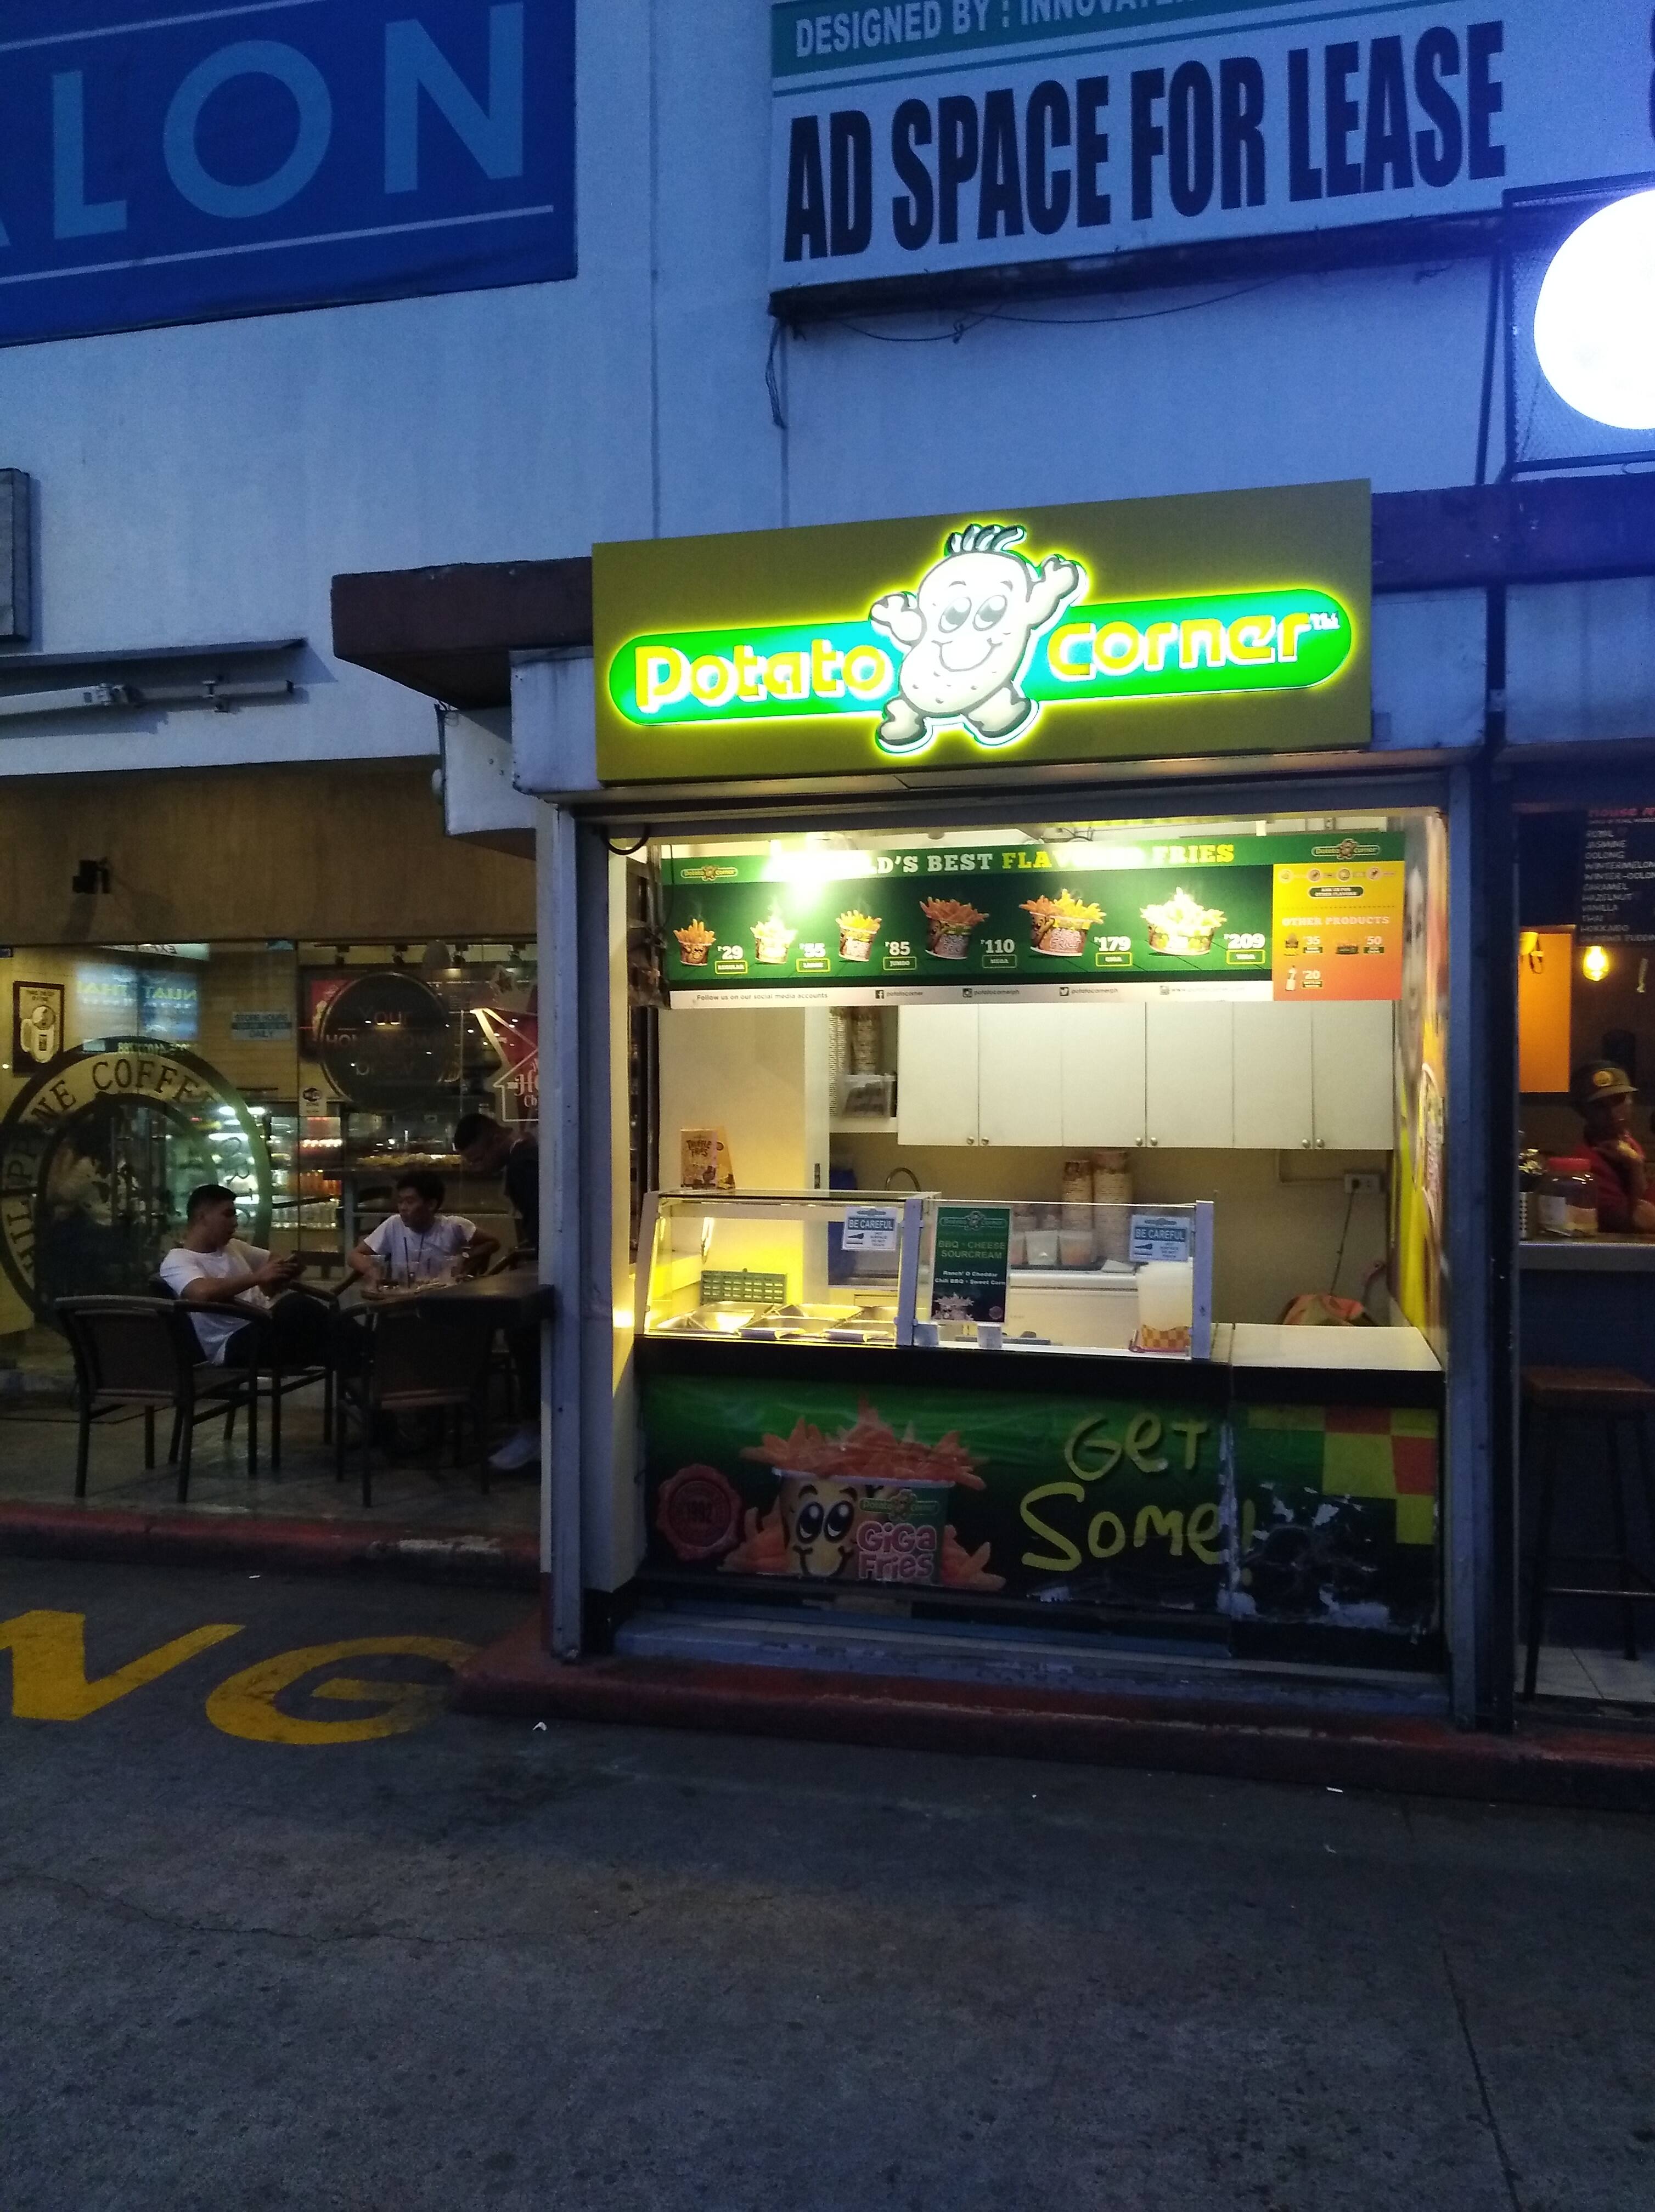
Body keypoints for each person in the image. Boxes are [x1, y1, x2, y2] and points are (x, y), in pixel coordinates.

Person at [159, 1184, 336, 1369]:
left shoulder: (234, 1247)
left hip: (265, 1325)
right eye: (228, 1215)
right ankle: (364, 1358)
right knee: (298, 1308)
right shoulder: (178, 1259)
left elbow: (273, 1259)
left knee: (327, 1340)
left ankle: (362, 1362)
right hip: (231, 1342)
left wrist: (281, 1272)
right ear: (202, 1217)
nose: (235, 1222)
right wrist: (257, 1278)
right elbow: (201, 1292)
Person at [454, 1110, 539, 1471]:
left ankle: (533, 1430)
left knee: (525, 1337)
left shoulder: (522, 1163)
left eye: (478, 1159)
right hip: (539, 1262)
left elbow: (540, 1220)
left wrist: (533, 1255)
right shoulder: (529, 1150)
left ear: (493, 1139)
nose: (476, 1168)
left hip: (544, 1266)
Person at [348, 1171, 498, 1289]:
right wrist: (371, 1269)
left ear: (431, 1205)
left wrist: (466, 1258)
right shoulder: (394, 1224)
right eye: (400, 1201)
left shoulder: (453, 1226)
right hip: (401, 1300)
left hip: (442, 1300)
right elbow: (355, 1255)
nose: (403, 1208)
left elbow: (493, 1243)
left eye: (410, 1202)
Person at [1570, 1062, 1655, 1234]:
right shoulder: (1585, 1167)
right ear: (1581, 1111)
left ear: (1631, 1100)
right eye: (1599, 1106)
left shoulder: (1628, 1145)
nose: (1612, 1112)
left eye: (1619, 1100)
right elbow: (1642, 1223)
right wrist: (1636, 1166)